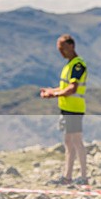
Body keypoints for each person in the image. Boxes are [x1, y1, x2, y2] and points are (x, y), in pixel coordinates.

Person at [40, 34, 88, 185]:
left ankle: (83, 177)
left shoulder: (77, 65)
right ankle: (68, 176)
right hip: (66, 109)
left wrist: (53, 94)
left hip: (74, 109)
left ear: (71, 46)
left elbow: (72, 89)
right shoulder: (69, 64)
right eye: (59, 49)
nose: (61, 52)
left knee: (77, 142)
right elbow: (64, 87)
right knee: (69, 142)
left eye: (63, 48)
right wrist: (52, 91)